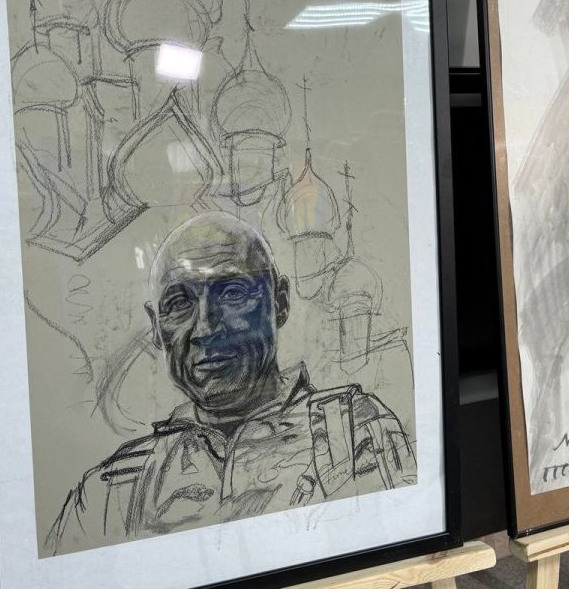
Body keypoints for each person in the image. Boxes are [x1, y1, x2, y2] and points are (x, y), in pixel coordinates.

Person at [47, 212, 416, 555]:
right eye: (178, 303)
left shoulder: (353, 434)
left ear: (280, 303)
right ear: (156, 327)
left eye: (233, 294)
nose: (205, 329)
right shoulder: (109, 492)